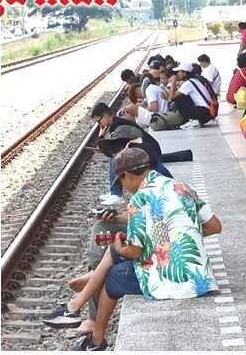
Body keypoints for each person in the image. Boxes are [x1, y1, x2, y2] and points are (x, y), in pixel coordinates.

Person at [41, 148, 221, 351]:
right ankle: (77, 308)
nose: (124, 188)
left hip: (174, 281)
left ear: (125, 175)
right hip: (200, 278)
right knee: (115, 257)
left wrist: (120, 247)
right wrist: (177, 234)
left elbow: (135, 252)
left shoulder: (139, 199)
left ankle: (91, 332)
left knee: (115, 273)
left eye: (120, 182)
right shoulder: (183, 186)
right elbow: (215, 227)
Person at [168, 64, 217, 128]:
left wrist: (173, 81)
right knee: (182, 95)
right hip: (208, 112)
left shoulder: (188, 83)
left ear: (184, 73)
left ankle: (193, 119)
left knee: (178, 98)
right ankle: (195, 119)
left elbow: (171, 97)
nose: (177, 74)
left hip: (202, 113)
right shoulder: (196, 80)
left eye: (178, 72)